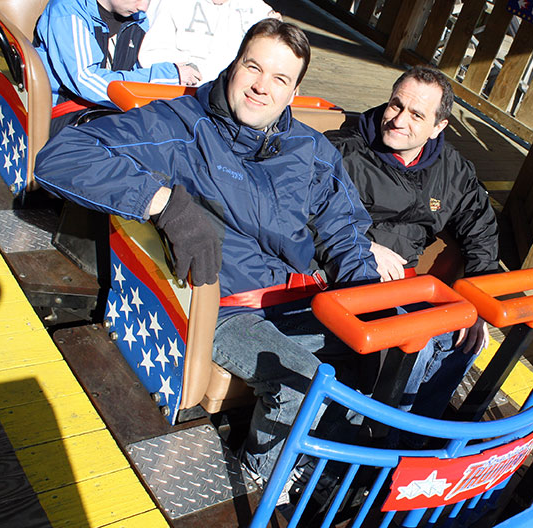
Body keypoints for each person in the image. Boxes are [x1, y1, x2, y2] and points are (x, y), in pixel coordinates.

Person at [34, 19, 379, 483]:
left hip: (295, 298)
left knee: (377, 355)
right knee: (301, 380)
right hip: (225, 304)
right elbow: (63, 156)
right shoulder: (179, 125)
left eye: (279, 79)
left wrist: (368, 300)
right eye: (253, 68)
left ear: (294, 90)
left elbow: (344, 229)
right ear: (234, 64)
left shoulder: (310, 149)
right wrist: (163, 203)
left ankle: (329, 473)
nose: (261, 87)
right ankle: (262, 478)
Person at [326, 66, 499, 425]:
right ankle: (376, 445)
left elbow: (481, 231)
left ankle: (416, 441)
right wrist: (361, 244)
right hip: (348, 275)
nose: (398, 120)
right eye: (395, 105)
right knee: (414, 345)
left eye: (416, 114)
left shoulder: (452, 170)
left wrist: (478, 300)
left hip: (405, 282)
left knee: (464, 337)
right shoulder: (344, 152)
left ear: (439, 127)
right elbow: (306, 208)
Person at [34, 0, 203, 136]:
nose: (143, 6)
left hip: (110, 110)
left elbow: (135, 72)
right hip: (65, 114)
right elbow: (86, 80)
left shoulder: (138, 20)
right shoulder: (68, 11)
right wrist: (167, 75)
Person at [139, 0, 281, 85]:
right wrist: (178, 69)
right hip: (179, 98)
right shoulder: (172, 3)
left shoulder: (259, 11)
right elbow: (149, 55)